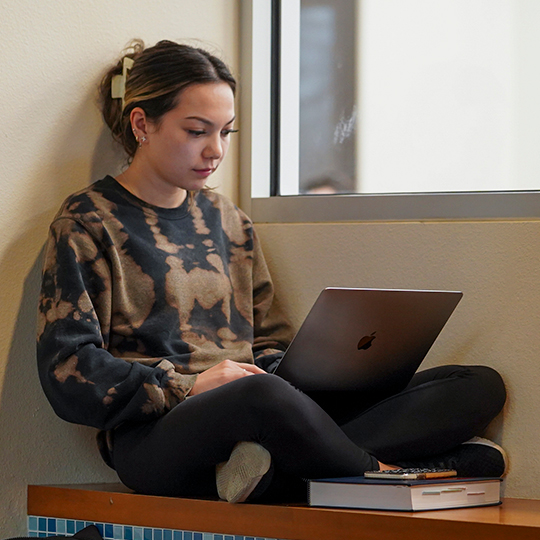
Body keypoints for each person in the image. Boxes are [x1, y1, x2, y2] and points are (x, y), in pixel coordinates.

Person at [37, 39, 507, 504]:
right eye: (197, 131)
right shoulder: (87, 222)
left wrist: (320, 373)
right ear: (142, 123)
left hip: (266, 412)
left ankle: (268, 474)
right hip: (158, 436)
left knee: (475, 384)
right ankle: (387, 473)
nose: (215, 151)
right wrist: (191, 385)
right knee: (261, 398)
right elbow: (68, 370)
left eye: (226, 132)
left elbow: (269, 341)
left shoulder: (229, 221)